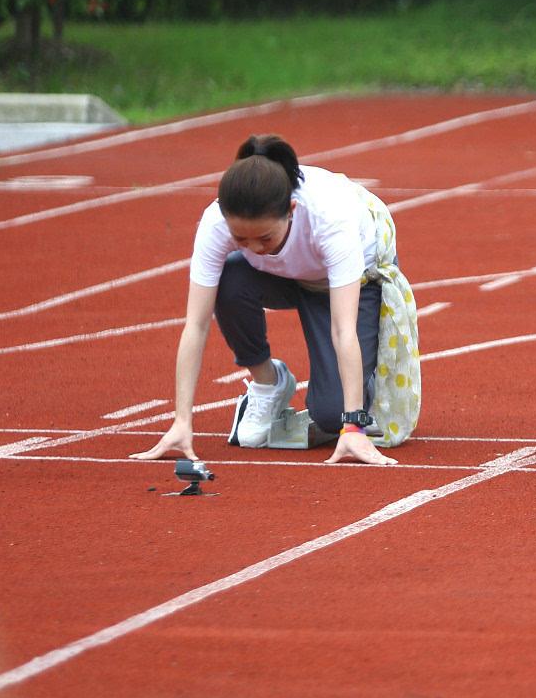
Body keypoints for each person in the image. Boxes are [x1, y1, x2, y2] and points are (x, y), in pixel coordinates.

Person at [133, 135, 419, 468]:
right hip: (284, 278)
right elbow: (195, 324)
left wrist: (353, 425)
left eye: (265, 237)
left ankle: (363, 390)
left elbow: (343, 330)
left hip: (343, 283)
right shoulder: (216, 222)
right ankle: (268, 382)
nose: (253, 247)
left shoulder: (330, 220)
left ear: (291, 211)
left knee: (331, 416)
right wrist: (182, 420)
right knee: (228, 278)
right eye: (241, 239)